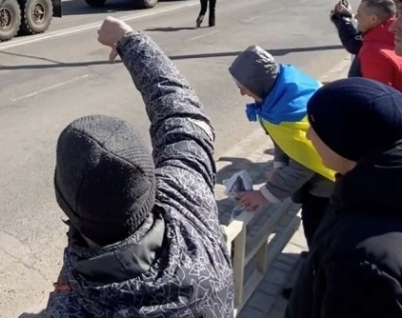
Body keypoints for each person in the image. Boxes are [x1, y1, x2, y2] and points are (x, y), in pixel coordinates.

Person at [45, 17, 233, 317]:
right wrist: (130, 40)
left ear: (64, 202)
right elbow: (181, 113)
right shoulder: (188, 197)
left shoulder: (72, 308)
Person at [287, 78, 402, 318]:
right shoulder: (365, 192)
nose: (308, 135)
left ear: (344, 140)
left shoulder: (361, 264)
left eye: (314, 127)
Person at [228, 46, 335, 245]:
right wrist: (279, 167)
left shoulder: (288, 112)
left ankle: (316, 269)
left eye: (243, 86)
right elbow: (282, 139)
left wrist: (263, 194)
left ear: (257, 83)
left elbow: (303, 164)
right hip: (321, 181)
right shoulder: (283, 94)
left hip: (327, 187)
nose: (242, 92)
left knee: (318, 233)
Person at [330, 0, 402, 88]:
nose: (356, 16)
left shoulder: (374, 52)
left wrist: (342, 19)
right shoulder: (390, 38)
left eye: (359, 14)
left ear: (373, 18)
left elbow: (377, 96)